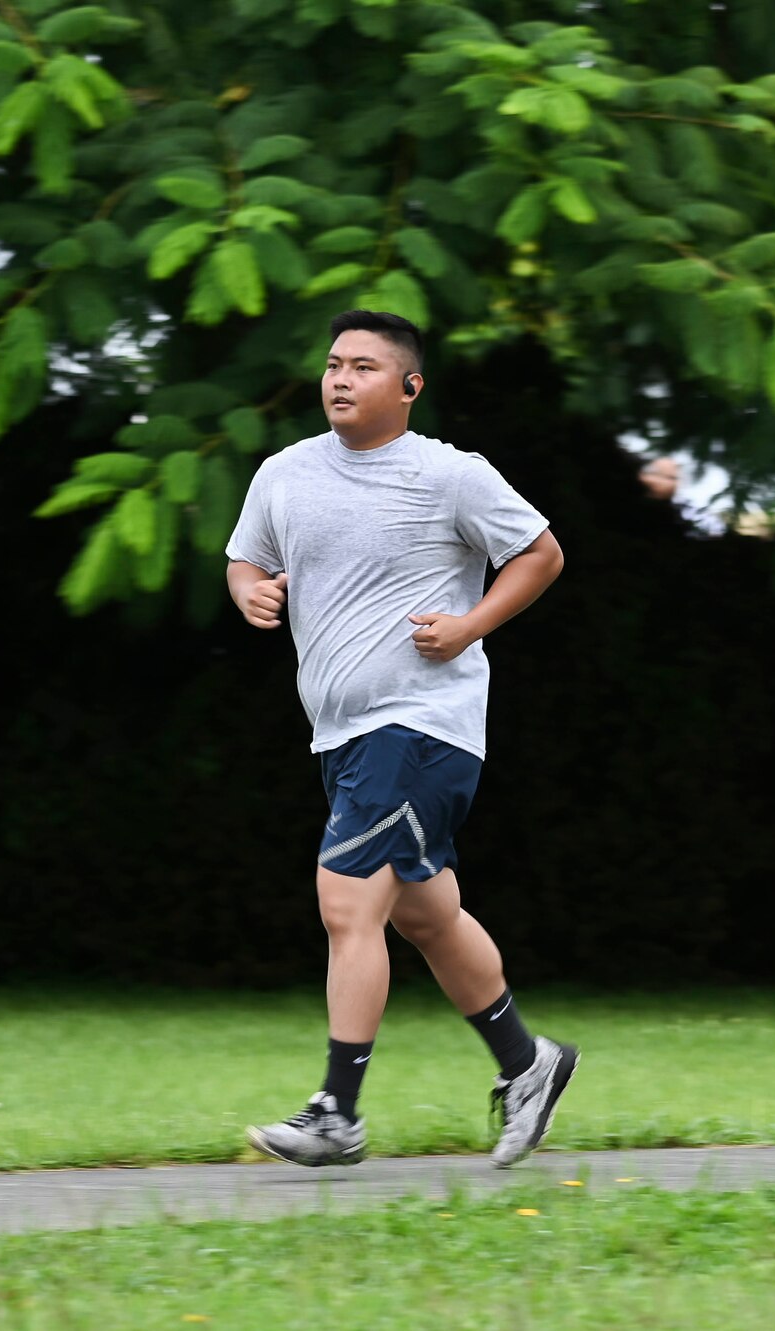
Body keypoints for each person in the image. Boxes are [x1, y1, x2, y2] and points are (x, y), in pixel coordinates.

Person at [225, 309, 577, 1169]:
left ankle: (336, 1111)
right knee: (426, 913)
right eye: (334, 363)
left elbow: (541, 552)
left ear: (410, 387)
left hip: (421, 723)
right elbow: (246, 557)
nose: (340, 379)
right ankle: (529, 1063)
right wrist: (249, 591)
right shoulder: (285, 472)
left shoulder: (449, 475)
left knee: (347, 902)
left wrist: (468, 626)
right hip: (338, 733)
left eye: (365, 367)